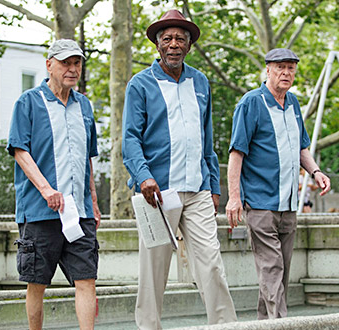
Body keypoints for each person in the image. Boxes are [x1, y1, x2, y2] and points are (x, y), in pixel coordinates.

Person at [122, 9, 237, 330]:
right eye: (168, 39)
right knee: (154, 270)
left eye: (180, 39)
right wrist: (143, 175)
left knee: (211, 264)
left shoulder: (199, 81)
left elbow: (207, 138)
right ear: (158, 45)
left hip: (198, 189)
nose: (174, 44)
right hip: (157, 193)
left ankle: (226, 326)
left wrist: (214, 187)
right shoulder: (140, 84)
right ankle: (149, 327)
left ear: (189, 45)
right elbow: (130, 138)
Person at [226, 48, 331, 319]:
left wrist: (316, 171)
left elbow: (301, 147)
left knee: (278, 274)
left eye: (291, 68)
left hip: (289, 203)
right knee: (272, 269)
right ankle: (284, 324)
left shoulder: (293, 102)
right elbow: (236, 153)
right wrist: (234, 197)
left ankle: (265, 323)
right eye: (280, 67)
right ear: (268, 70)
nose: (286, 73)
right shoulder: (251, 103)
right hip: (260, 203)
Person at [7, 39, 101, 330]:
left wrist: (94, 203)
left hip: (79, 212)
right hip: (39, 211)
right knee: (37, 283)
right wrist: (46, 189)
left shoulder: (84, 105)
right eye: (65, 63)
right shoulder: (28, 102)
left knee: (86, 279)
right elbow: (20, 151)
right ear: (49, 65)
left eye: (77, 63)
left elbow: (87, 158)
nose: (72, 69)